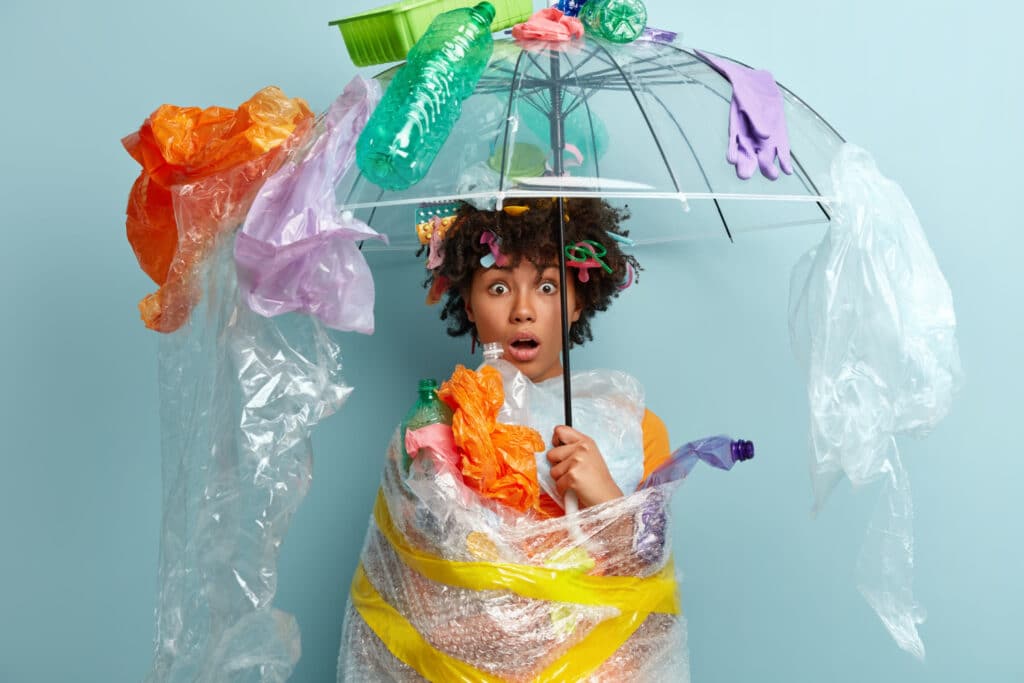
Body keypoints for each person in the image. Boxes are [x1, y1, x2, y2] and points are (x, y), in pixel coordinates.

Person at [338, 197, 688, 682]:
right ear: (467, 302)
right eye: (498, 287)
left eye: (547, 286)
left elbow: (650, 588)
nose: (523, 311)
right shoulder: (432, 429)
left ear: (578, 300)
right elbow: (409, 599)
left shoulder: (632, 427)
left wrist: (604, 497)